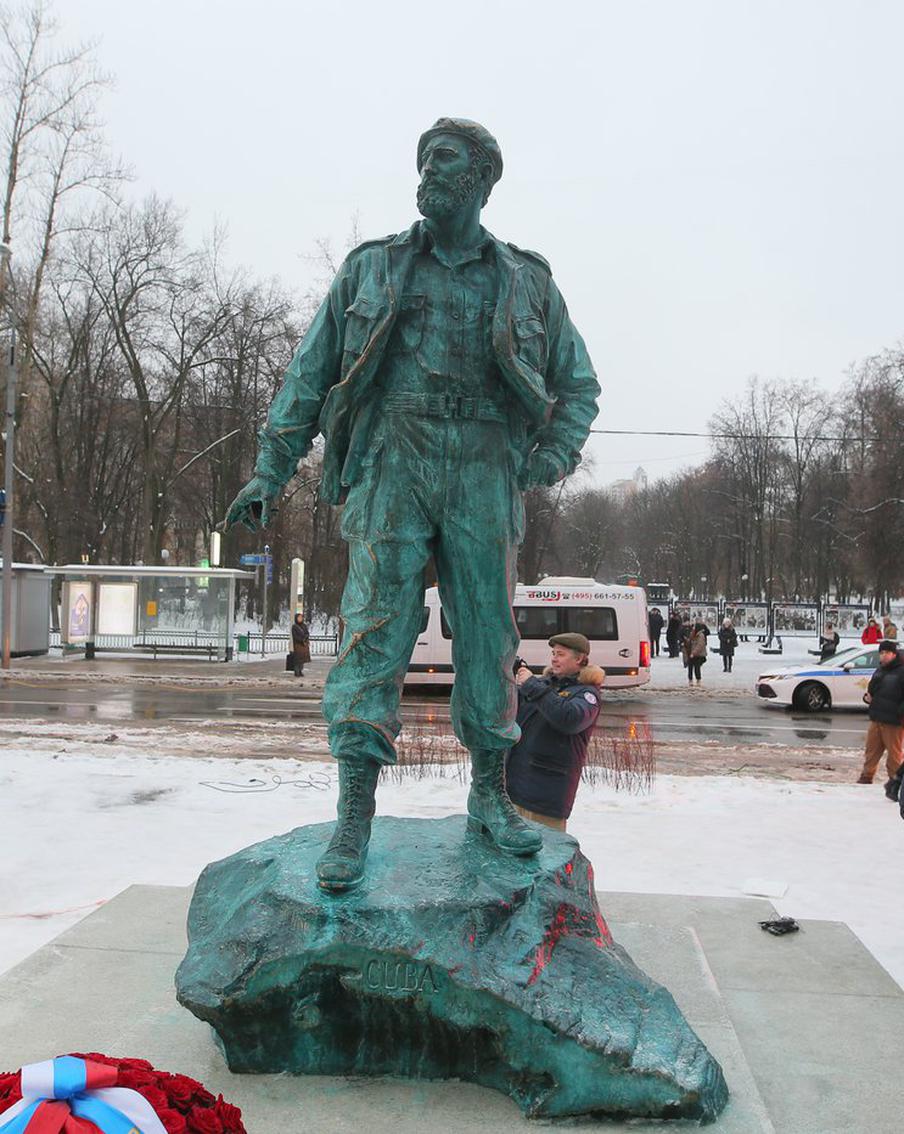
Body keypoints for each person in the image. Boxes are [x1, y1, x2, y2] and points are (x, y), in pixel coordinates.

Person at [223, 118, 599, 891]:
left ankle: (489, 798)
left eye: (445, 161)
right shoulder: (374, 267)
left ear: (483, 179)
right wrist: (270, 471)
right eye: (423, 160)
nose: (427, 172)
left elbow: (579, 385)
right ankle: (354, 816)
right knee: (373, 632)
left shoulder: (525, 280)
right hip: (392, 456)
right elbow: (309, 374)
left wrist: (551, 455)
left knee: (487, 635)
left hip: (485, 465)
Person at [506, 633, 604, 831]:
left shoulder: (587, 694)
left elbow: (569, 719)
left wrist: (532, 686)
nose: (554, 659)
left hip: (546, 796)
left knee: (546, 848)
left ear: (579, 659)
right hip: (516, 788)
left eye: (561, 654)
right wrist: (509, 677)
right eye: (553, 653)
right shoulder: (545, 685)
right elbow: (510, 712)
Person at [857, 640, 904, 795]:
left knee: (894, 756)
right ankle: (866, 778)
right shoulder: (880, 670)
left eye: (887, 653)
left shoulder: (901, 671)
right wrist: (868, 698)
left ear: (894, 654)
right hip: (877, 717)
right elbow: (872, 690)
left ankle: (895, 784)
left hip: (894, 721)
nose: (883, 656)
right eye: (881, 653)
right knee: (871, 751)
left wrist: (900, 712)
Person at [291, 612, 311, 677]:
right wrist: (301, 640)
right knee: (297, 659)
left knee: (302, 659)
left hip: (304, 645)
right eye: (299, 618)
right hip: (298, 645)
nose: (300, 619)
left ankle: (300, 671)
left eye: (301, 617)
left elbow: (307, 633)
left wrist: (305, 638)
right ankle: (296, 671)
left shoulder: (304, 626)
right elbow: (295, 636)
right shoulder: (294, 627)